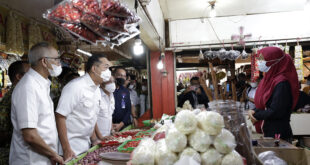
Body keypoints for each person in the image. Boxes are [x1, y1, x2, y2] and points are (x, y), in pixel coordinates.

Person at [10, 42, 64, 165]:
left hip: (43, 158)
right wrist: (54, 154)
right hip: (31, 160)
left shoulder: (41, 85)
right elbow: (30, 135)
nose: (59, 64)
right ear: (44, 61)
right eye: (56, 59)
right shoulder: (28, 87)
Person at [55, 54, 111, 161]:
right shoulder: (75, 87)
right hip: (70, 148)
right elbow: (60, 116)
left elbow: (90, 116)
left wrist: (94, 139)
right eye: (106, 67)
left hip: (85, 145)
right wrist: (66, 149)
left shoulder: (96, 90)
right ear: (94, 69)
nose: (109, 71)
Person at [248, 47, 299, 142]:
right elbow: (266, 103)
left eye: (262, 59)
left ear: (273, 62)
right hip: (268, 130)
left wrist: (256, 115)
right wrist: (254, 110)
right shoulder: (268, 79)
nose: (259, 62)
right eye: (259, 59)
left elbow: (276, 111)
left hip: (278, 134)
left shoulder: (281, 83)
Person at [0, 61, 30, 164]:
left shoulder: (24, 93)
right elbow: (2, 132)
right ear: (19, 77)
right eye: (30, 73)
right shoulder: (11, 97)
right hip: (11, 154)